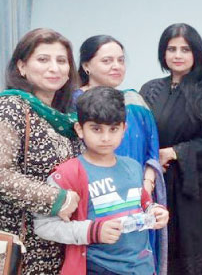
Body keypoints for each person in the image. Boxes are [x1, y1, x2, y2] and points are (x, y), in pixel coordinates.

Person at [33, 86, 169, 275]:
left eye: (113, 129)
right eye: (96, 129)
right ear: (80, 129)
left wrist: (154, 210)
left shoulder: (132, 166)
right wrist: (92, 231)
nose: (105, 138)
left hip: (142, 266)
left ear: (124, 129)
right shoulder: (69, 173)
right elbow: (44, 226)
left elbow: (143, 201)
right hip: (98, 268)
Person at [72, 35, 167, 273]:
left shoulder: (135, 100)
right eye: (107, 60)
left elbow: (151, 147)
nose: (116, 66)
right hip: (95, 200)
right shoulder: (72, 103)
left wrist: (147, 181)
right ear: (86, 65)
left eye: (120, 60)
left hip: (135, 195)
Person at [139, 23, 202, 275]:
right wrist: (152, 159)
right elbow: (138, 131)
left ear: (196, 53)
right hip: (153, 179)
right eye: (171, 49)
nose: (178, 55)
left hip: (191, 187)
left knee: (189, 245)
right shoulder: (150, 89)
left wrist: (175, 152)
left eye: (185, 49)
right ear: (163, 53)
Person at [0, 28, 81, 274]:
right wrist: (57, 200)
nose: (54, 68)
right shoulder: (11, 107)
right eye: (43, 59)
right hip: (20, 247)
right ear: (22, 67)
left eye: (61, 61)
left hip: (57, 246)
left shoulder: (67, 119)